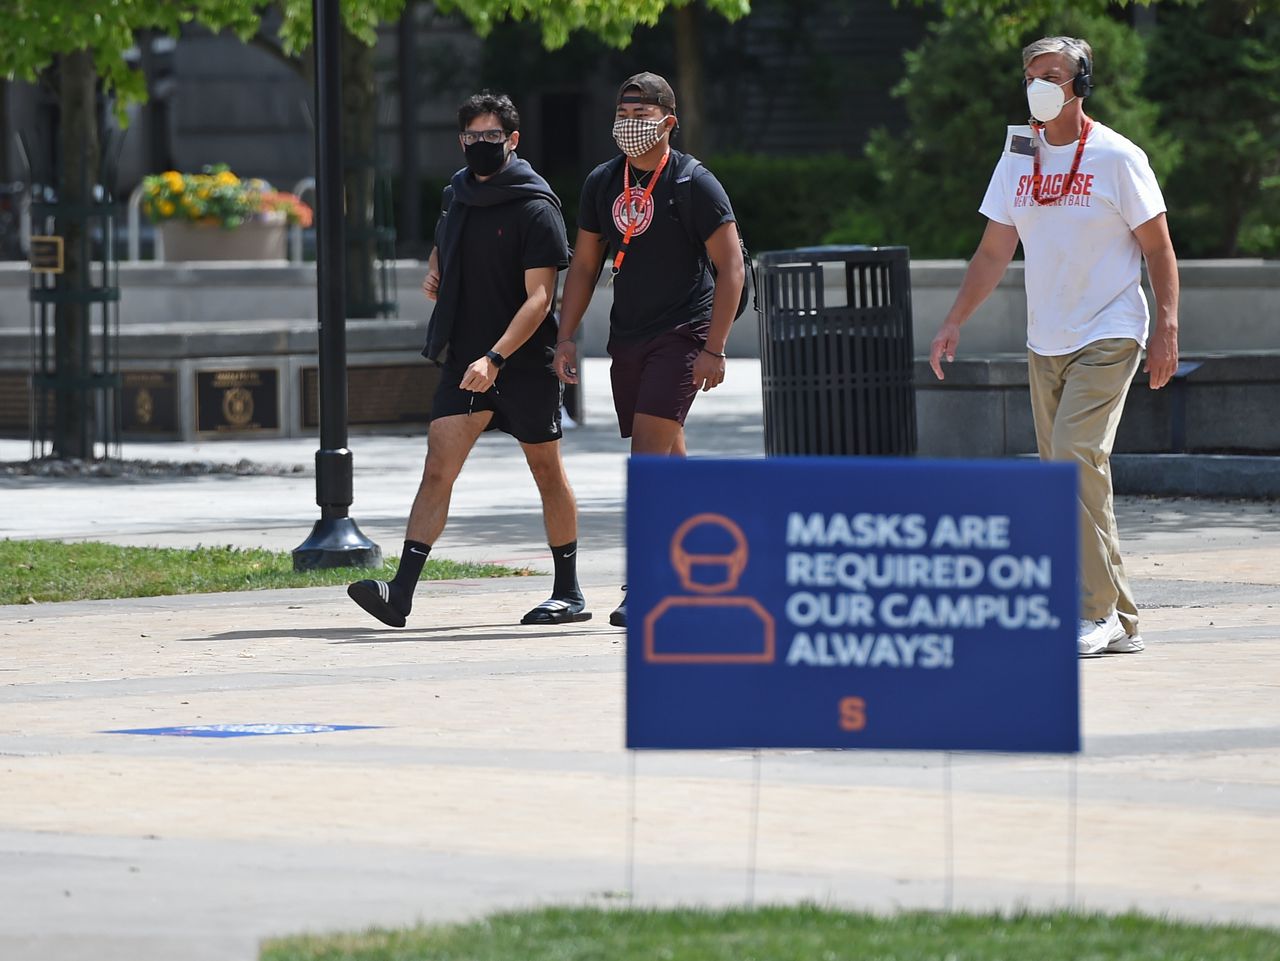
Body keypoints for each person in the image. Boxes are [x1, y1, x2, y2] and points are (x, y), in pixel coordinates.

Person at [928, 36, 1179, 656]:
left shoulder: (1118, 158)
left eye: (1052, 74)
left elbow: (1159, 249)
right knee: (1071, 476)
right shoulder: (1018, 157)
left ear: (1081, 82)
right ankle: (1119, 618)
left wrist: (1168, 327)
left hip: (1112, 330)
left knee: (1073, 457)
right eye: (1030, 74)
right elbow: (993, 251)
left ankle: (1094, 613)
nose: (1038, 83)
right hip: (1048, 338)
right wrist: (953, 319)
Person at [348, 91, 589, 628]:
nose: (481, 146)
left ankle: (569, 591)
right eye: (473, 137)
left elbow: (540, 299)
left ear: (513, 141)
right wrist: (437, 267)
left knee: (546, 470)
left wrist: (496, 358)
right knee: (437, 468)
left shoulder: (536, 206)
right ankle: (400, 595)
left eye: (492, 137)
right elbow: (447, 242)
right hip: (465, 361)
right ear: (461, 141)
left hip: (521, 364)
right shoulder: (456, 196)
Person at [552, 72, 746, 627]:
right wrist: (566, 336)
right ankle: (713, 563)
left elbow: (729, 267)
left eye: (641, 114)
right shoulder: (602, 182)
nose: (629, 124)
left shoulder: (693, 182)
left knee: (647, 461)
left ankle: (647, 584)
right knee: (671, 464)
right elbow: (585, 264)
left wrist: (715, 348)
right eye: (623, 111)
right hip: (629, 336)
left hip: (683, 333)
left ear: (668, 121)